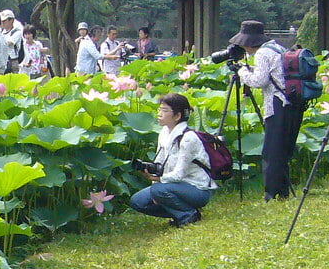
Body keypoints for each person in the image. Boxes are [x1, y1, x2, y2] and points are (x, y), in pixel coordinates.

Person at [233, 20, 302, 201]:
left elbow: (259, 81)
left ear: (249, 41)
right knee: (281, 149)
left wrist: (242, 73)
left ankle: (271, 193)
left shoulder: (262, 53)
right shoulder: (277, 48)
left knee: (271, 151)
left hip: (277, 105)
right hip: (292, 103)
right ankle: (283, 191)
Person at [129, 93, 216, 227]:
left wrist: (156, 182)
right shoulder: (164, 133)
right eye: (159, 110)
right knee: (137, 201)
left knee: (158, 191)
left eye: (164, 111)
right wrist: (153, 174)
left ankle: (188, 214)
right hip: (171, 186)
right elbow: (160, 163)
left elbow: (178, 175)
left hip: (197, 189)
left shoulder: (188, 138)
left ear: (177, 116)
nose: (159, 114)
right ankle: (179, 212)